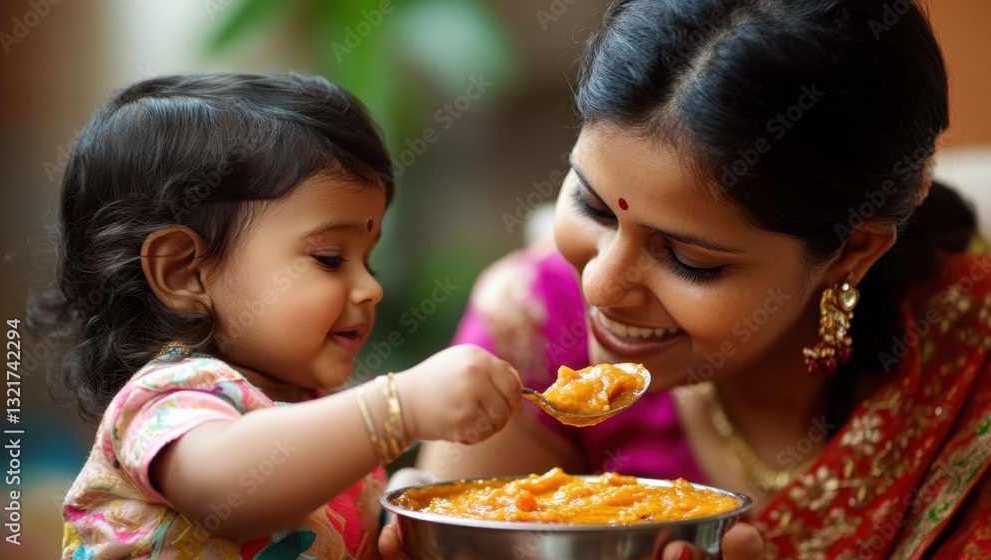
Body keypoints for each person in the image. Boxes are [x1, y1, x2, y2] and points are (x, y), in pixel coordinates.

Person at [413, 0, 991, 558]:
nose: (600, 288)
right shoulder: (534, 325)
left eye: (690, 261)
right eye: (592, 206)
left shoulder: (971, 369)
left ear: (851, 252)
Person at [29, 72, 523, 559]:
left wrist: (399, 516)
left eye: (368, 260)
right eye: (330, 257)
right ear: (184, 273)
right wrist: (398, 409)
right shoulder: (164, 400)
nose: (371, 288)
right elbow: (229, 491)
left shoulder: (321, 416)